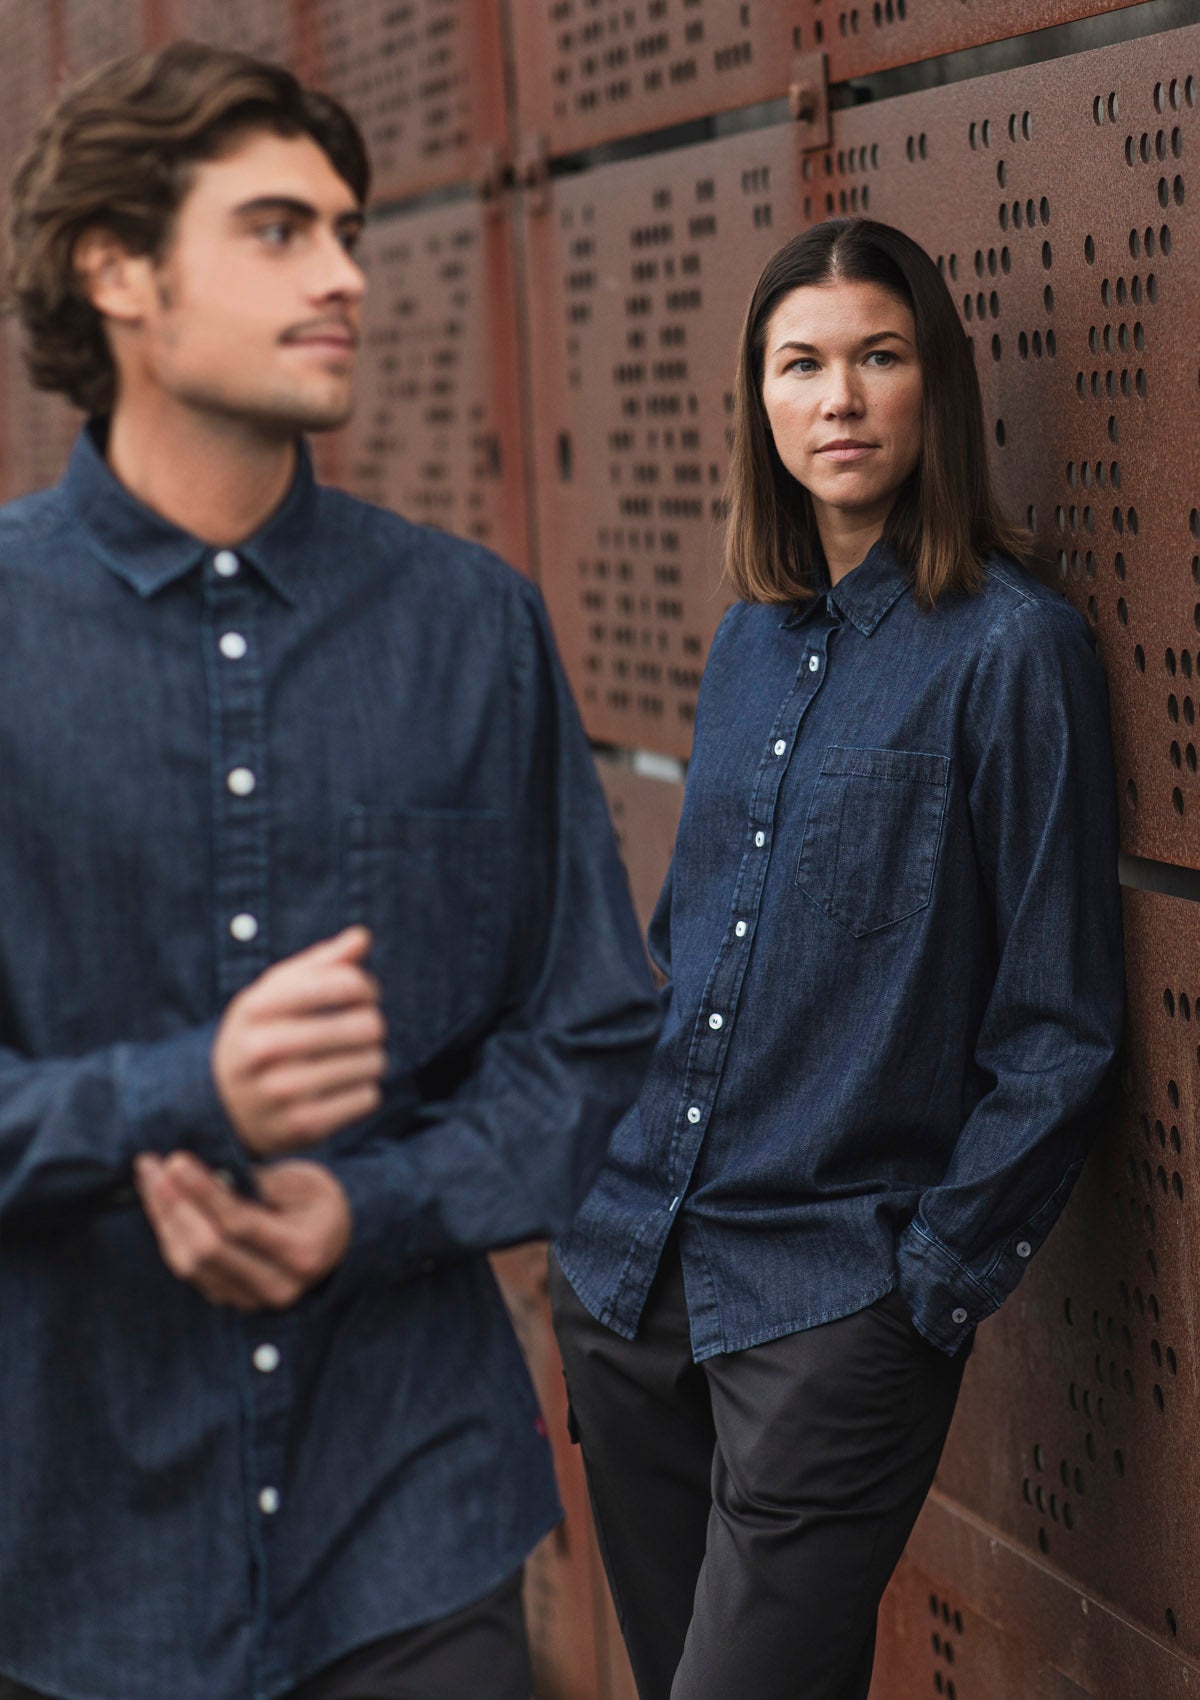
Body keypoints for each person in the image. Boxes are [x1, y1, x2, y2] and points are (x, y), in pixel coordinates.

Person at [0, 40, 660, 1700]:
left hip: (411, 1534)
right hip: (73, 1565)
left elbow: (589, 1044)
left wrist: (363, 1209)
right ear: (120, 270)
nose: (350, 276)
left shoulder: (472, 629)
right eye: (281, 231)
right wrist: (180, 1092)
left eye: (350, 230)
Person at [550, 217, 1125, 1700]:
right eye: (800, 364)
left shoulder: (1013, 650)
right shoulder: (749, 642)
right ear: (760, 399)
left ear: (936, 382)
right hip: (636, 1278)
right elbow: (687, 956)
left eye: (879, 357)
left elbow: (1059, 1026)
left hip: (830, 1303)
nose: (840, 399)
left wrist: (923, 1294)